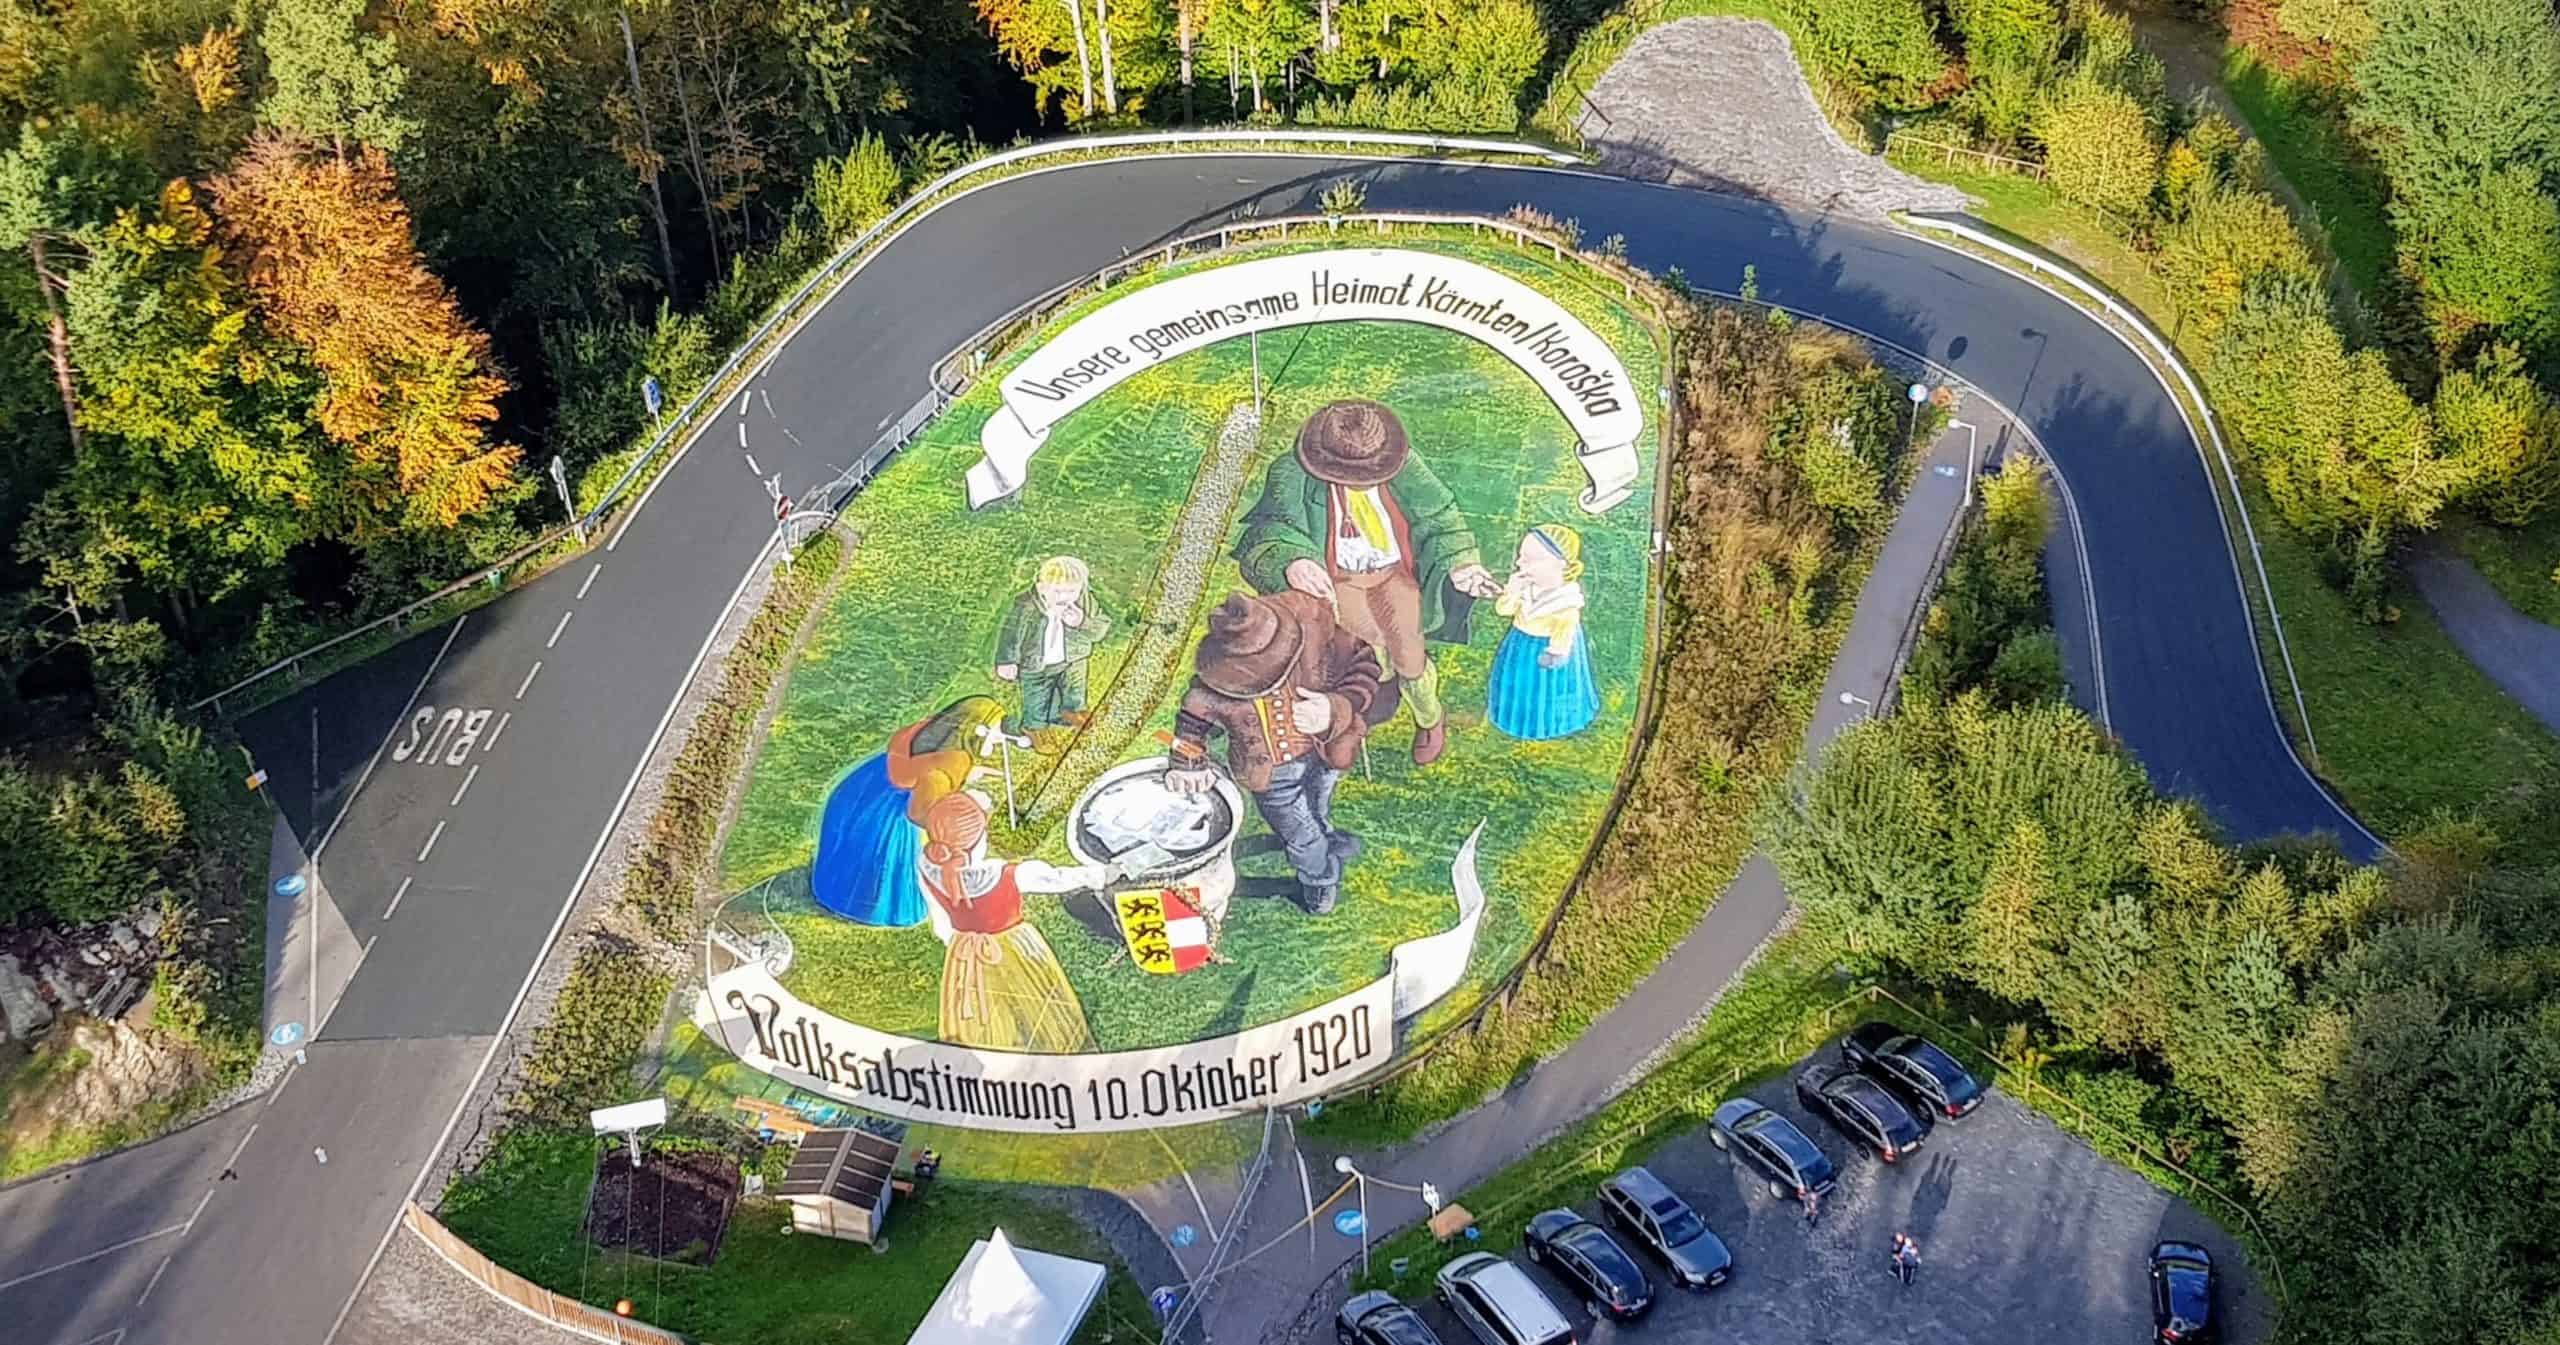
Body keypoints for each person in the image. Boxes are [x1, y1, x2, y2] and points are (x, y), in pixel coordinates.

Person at [1235, 399, 1498, 766]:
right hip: (1338, 577)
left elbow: (1441, 517)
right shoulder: (1290, 472)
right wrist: (1293, 560)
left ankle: (1429, 718)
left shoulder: (1402, 464)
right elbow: (1268, 532)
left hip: (1393, 573)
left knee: (1410, 655)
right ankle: (1364, 710)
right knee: (1365, 651)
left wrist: (1461, 563)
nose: (1358, 484)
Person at [1165, 591, 1393, 916]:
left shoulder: (1314, 630)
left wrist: (1333, 708)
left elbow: (1363, 665)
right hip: (1273, 775)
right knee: (1302, 836)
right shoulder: (1213, 685)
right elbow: (1191, 726)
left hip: (1324, 754)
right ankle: (1320, 881)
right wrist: (1187, 763)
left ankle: (1326, 838)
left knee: (1318, 805)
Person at [916, 791, 1118, 1052]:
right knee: (1038, 998)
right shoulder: (1005, 873)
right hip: (1014, 945)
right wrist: (1101, 875)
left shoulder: (927, 865)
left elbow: (938, 913)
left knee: (982, 1008)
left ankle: (990, 1052)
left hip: (964, 951)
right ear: (979, 841)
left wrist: (954, 940)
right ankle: (1054, 1050)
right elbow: (1058, 878)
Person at [810, 696, 1009, 927]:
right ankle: (869, 907)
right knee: (883, 869)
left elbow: (923, 765)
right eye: (993, 733)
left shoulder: (932, 735)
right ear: (973, 731)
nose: (997, 740)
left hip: (863, 792)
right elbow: (919, 813)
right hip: (884, 819)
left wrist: (966, 773)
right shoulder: (950, 764)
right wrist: (972, 808)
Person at [1487, 524, 1600, 740]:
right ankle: (1511, 718)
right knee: (1516, 687)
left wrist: (1555, 654)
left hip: (1544, 652)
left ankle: (1550, 724)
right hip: (1518, 645)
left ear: (1558, 564)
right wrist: (1511, 591)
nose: (1520, 563)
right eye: (1521, 556)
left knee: (1544, 692)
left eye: (1529, 558)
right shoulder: (1527, 589)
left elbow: (1564, 636)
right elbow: (1503, 610)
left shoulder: (1565, 603)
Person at [993, 555, 1111, 749]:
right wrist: (1007, 660)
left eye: (1072, 591)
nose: (1065, 598)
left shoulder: (1084, 602)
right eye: (1058, 591)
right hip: (1036, 664)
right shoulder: (1026, 605)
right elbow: (1012, 633)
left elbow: (1100, 628)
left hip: (1073, 659)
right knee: (1037, 697)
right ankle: (1035, 728)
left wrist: (1082, 622)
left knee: (1074, 688)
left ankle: (1072, 711)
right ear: (1042, 588)